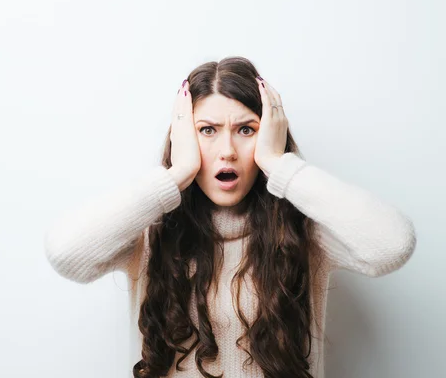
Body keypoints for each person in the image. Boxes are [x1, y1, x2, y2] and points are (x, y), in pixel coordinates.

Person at [43, 56, 417, 378]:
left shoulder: (303, 229)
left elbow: (392, 245)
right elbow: (67, 253)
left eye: (246, 130)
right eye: (207, 130)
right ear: (184, 136)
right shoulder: (148, 231)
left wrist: (279, 165)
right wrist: (177, 174)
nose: (227, 151)